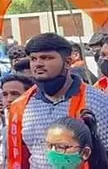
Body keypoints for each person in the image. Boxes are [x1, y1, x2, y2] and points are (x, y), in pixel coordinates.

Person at [7, 33, 108, 169]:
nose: (38, 64)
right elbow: (18, 158)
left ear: (67, 62)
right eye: (33, 59)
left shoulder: (96, 102)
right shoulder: (21, 106)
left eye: (46, 58)